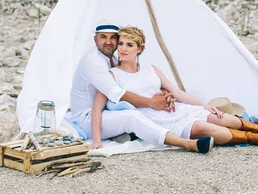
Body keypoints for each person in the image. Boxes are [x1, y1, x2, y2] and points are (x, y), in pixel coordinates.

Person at [90, 26, 258, 149]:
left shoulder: (151, 68)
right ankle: (251, 137)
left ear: (139, 49)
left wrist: (204, 105)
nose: (123, 48)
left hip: (176, 109)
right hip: (157, 119)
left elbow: (175, 92)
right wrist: (97, 140)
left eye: (129, 44)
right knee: (203, 127)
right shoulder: (111, 75)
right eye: (121, 44)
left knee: (216, 116)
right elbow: (97, 109)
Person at [70, 19, 214, 154]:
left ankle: (125, 133)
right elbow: (115, 94)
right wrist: (151, 102)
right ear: (95, 39)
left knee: (139, 114)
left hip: (107, 113)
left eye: (113, 38)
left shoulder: (112, 58)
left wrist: (164, 92)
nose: (108, 42)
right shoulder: (93, 61)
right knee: (131, 117)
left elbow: (133, 84)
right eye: (103, 37)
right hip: (87, 118)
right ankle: (187, 144)